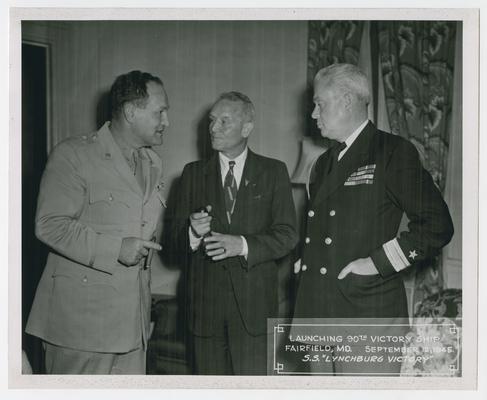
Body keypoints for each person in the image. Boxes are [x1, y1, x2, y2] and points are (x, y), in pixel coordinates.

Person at [292, 64, 454, 375]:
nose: (313, 114)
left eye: (319, 104)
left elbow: (438, 225)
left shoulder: (392, 152)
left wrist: (377, 262)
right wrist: (305, 260)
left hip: (367, 315)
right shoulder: (324, 163)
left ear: (347, 100)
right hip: (319, 310)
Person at [25, 70, 169, 374]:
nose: (166, 122)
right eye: (160, 112)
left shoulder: (152, 163)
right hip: (81, 328)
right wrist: (115, 249)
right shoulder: (74, 154)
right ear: (131, 111)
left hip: (133, 328)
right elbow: (49, 224)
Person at [172, 91, 298, 375]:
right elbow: (171, 245)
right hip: (204, 313)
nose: (213, 128)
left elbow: (287, 235)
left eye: (224, 121)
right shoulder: (191, 174)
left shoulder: (274, 171)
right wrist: (191, 231)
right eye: (212, 120)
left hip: (254, 313)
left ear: (247, 127)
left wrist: (241, 244)